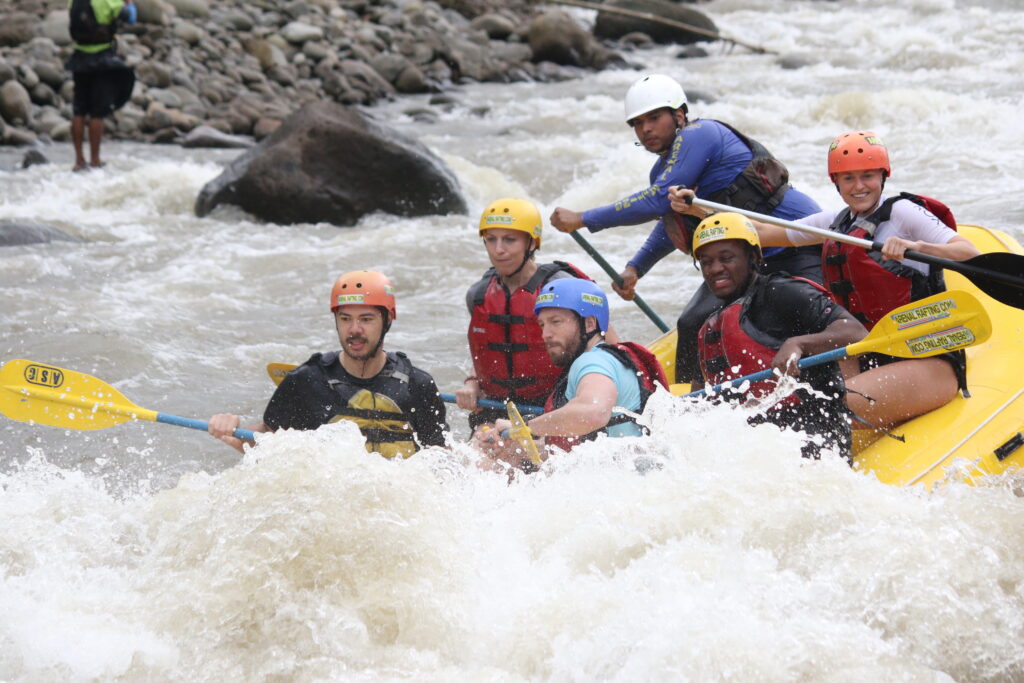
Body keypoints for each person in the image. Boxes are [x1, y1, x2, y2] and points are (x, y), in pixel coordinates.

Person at [678, 131, 981, 429]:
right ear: (835, 182)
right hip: (866, 352)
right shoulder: (835, 223)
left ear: (883, 176)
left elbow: (968, 253)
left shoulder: (903, 213)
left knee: (831, 404)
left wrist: (918, 247)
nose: (859, 186)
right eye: (848, 178)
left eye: (868, 176)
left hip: (925, 356)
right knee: (796, 395)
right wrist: (697, 208)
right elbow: (758, 232)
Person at [549, 73, 823, 384]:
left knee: (801, 312)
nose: (646, 128)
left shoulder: (702, 134)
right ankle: (688, 401)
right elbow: (673, 222)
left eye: (654, 117)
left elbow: (654, 202)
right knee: (693, 321)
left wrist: (584, 217)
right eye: (638, 123)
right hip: (746, 261)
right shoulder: (661, 171)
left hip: (798, 245)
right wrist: (635, 268)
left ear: (679, 115)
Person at [686, 212, 867, 460]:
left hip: (813, 437)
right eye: (706, 262)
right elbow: (700, 396)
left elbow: (856, 333)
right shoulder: (709, 324)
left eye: (726, 258)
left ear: (753, 257)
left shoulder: (782, 292)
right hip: (755, 446)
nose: (716, 269)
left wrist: (799, 344)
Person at [209, 270, 448, 458]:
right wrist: (232, 431)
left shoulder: (417, 385)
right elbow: (268, 439)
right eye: (345, 319)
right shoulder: (308, 380)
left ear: (387, 320)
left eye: (366, 319)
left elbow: (441, 461)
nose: (354, 330)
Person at [457, 198, 618, 431]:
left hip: (556, 409)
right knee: (478, 455)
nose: (498, 249)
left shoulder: (563, 286)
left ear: (532, 243)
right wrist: (473, 383)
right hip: (495, 409)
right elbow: (487, 350)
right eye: (491, 239)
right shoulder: (478, 294)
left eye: (510, 240)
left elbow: (609, 350)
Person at [473, 278, 667, 472]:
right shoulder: (611, 359)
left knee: (483, 467)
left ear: (589, 323)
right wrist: (517, 441)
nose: (545, 334)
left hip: (622, 480)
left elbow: (594, 412)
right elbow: (583, 446)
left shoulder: (592, 362)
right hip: (631, 474)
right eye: (542, 325)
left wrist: (528, 428)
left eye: (556, 322)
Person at [66, 0, 137, 171]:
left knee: (79, 109)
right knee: (97, 112)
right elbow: (131, 18)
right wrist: (129, 3)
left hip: (80, 58)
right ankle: (95, 159)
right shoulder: (108, 1)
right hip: (103, 60)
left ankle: (78, 160)